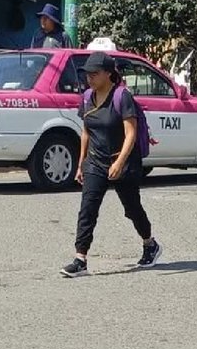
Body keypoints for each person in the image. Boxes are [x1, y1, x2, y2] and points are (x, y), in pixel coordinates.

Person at [61, 51, 161, 278]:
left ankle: (150, 243)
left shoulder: (122, 96)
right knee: (88, 208)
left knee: (132, 208)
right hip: (95, 161)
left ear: (108, 74)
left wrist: (119, 163)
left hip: (122, 161)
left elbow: (131, 133)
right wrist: (81, 163)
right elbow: (86, 131)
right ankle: (80, 259)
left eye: (94, 74)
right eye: (87, 74)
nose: (89, 78)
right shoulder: (87, 97)